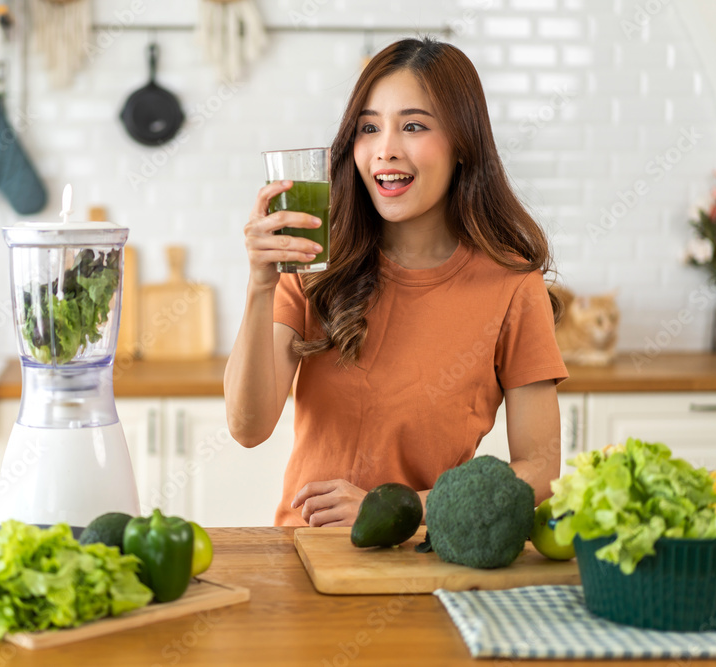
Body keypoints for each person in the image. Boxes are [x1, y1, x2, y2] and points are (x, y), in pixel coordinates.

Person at [224, 37, 569, 527]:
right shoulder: (315, 266)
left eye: (413, 126)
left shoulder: (512, 286)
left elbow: (539, 471)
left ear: (462, 146)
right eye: (369, 127)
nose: (385, 149)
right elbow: (247, 427)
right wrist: (260, 286)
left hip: (425, 558)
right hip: (307, 555)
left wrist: (398, 509)